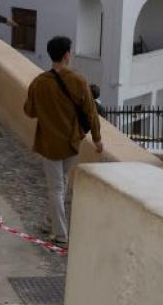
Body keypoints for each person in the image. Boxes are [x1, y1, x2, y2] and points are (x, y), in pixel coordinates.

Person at [23, 36, 103, 246]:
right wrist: (97, 138)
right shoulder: (78, 81)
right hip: (72, 141)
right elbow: (91, 111)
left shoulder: (39, 82)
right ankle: (50, 223)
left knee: (56, 188)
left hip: (49, 143)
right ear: (67, 55)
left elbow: (29, 111)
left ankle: (59, 233)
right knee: (62, 183)